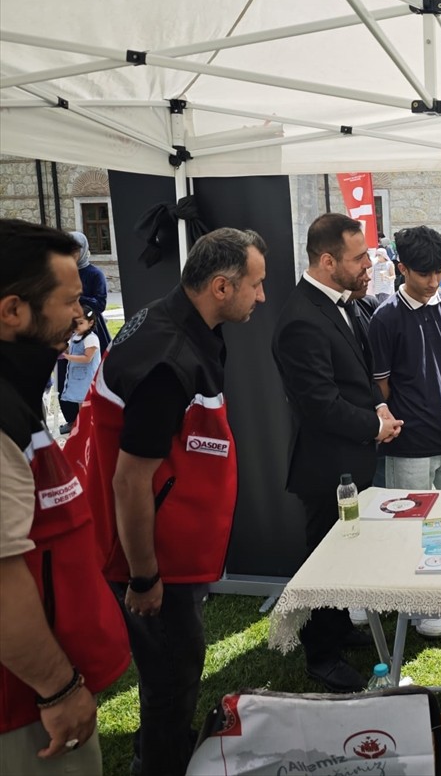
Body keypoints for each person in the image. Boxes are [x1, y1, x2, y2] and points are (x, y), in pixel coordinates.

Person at [65, 227, 267, 776]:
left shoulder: (177, 321)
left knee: (172, 679)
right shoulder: (168, 357)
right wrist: (145, 577)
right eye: (256, 284)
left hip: (173, 554)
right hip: (154, 564)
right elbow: (131, 481)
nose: (262, 296)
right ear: (221, 287)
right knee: (171, 683)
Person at [0, 221, 129, 772]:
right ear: (13, 312)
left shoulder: (15, 397)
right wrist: (57, 689)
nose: (81, 318)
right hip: (25, 708)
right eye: (69, 301)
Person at [273, 214, 403, 692]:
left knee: (347, 553)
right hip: (327, 466)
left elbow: (356, 376)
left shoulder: (340, 302)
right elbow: (320, 404)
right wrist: (375, 425)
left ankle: (340, 627)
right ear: (327, 262)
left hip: (351, 459)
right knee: (324, 559)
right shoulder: (301, 320)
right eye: (358, 257)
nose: (368, 264)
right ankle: (321, 655)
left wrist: (380, 409)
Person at [369, 226, 441, 496]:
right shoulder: (384, 318)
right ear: (403, 269)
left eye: (439, 271)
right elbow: (382, 384)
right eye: (424, 273)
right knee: (409, 525)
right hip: (408, 444)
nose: (434, 281)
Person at [55, 232, 111, 418]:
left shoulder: (95, 274)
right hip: (66, 329)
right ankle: (72, 418)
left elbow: (100, 304)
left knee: (92, 372)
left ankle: (94, 417)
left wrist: (76, 296)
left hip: (90, 329)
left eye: (74, 250)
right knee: (66, 372)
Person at [57, 308, 101, 434]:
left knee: (88, 405)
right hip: (77, 378)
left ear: (90, 323)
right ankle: (84, 429)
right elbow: (69, 349)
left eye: (81, 323)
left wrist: (68, 357)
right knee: (81, 404)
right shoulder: (75, 336)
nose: (77, 326)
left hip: (87, 378)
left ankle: (89, 430)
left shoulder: (91, 339)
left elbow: (87, 358)